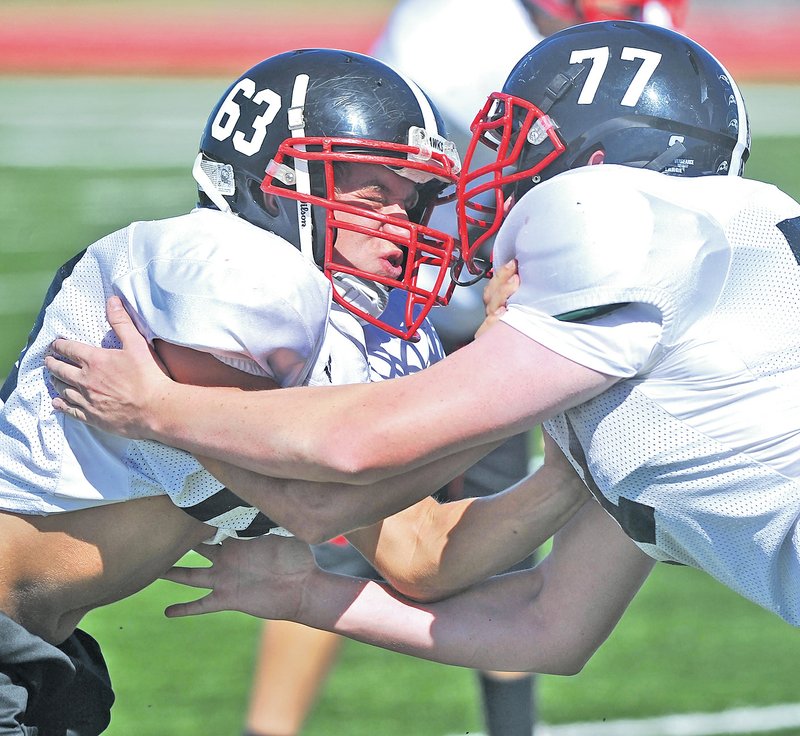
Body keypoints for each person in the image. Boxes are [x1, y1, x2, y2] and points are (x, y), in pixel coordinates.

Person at [47, 20, 783, 681]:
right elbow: (543, 623)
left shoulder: (619, 214)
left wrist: (157, 409)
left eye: (530, 150)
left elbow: (343, 464)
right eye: (373, 197)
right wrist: (311, 593)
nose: (506, 182)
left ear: (601, 162)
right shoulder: (715, 283)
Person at [0, 46, 479, 733]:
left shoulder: (342, 336)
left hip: (41, 650)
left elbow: (422, 554)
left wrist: (566, 408)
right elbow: (314, 498)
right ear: (273, 185)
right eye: (374, 199)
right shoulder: (234, 269)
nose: (402, 229)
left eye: (414, 202)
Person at [244, 5, 686, 736]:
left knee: (498, 549)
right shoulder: (456, 24)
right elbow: (428, 177)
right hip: (405, 315)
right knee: (340, 536)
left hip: (512, 325)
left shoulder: (639, 30)